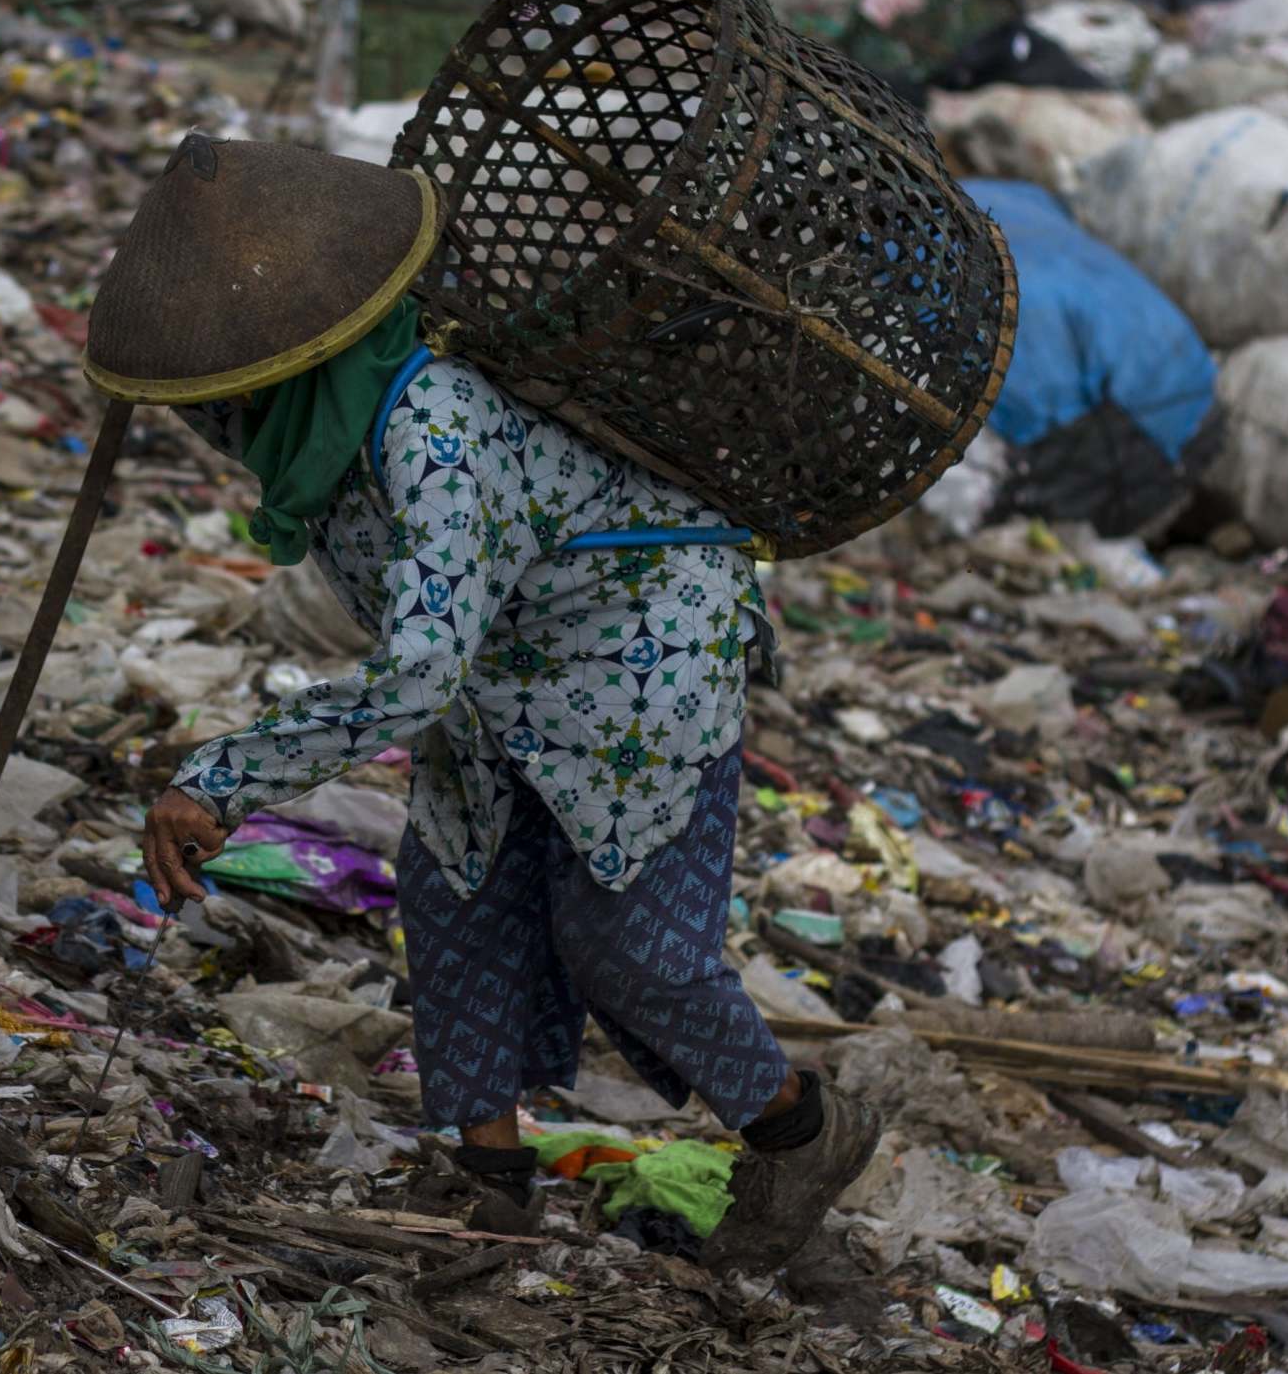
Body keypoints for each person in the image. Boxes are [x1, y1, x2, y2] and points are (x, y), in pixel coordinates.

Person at [85, 135, 882, 1275]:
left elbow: (418, 671)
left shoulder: (433, 429)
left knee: (628, 945)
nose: (220, 406)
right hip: (493, 655)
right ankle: (488, 1188)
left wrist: (224, 781)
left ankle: (801, 1129)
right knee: (455, 897)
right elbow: (426, 642)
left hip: (637, 648)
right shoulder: (304, 429)